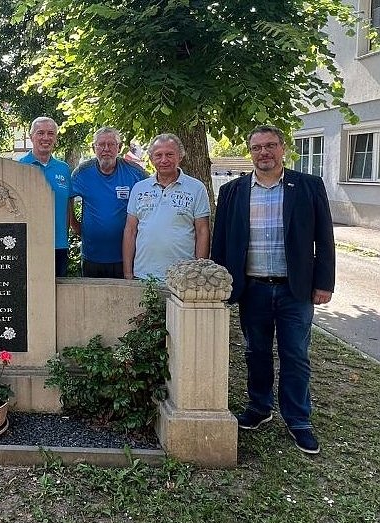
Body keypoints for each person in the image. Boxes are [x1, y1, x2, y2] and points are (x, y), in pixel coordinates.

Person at [212, 125, 335, 455]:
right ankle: (259, 408)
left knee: (295, 355)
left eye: (270, 146)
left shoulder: (307, 186)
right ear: (249, 152)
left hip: (294, 290)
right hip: (252, 289)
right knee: (256, 353)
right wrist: (221, 283)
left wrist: (324, 283)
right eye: (257, 148)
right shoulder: (233, 191)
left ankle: (298, 420)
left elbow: (324, 239)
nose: (264, 152)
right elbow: (221, 243)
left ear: (283, 149)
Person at [123, 133, 210, 280]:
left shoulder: (196, 188)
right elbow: (130, 231)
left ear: (180, 157)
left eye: (170, 154)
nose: (164, 160)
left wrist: (198, 272)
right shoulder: (139, 188)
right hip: (143, 275)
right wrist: (128, 273)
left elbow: (202, 231)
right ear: (151, 159)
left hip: (184, 277)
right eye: (158, 155)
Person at [71, 127, 147, 278]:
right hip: (91, 256)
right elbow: (67, 198)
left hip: (126, 257)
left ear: (119, 147)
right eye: (101, 144)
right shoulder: (82, 172)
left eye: (111, 144)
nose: (106, 149)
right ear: (94, 148)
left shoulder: (136, 173)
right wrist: (75, 224)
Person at [18, 117, 72, 277]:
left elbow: (69, 205)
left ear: (55, 138)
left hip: (58, 244)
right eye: (40, 133)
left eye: (50, 133)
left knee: (57, 295)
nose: (46, 138)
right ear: (31, 136)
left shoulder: (63, 169)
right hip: (28, 243)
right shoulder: (18, 167)